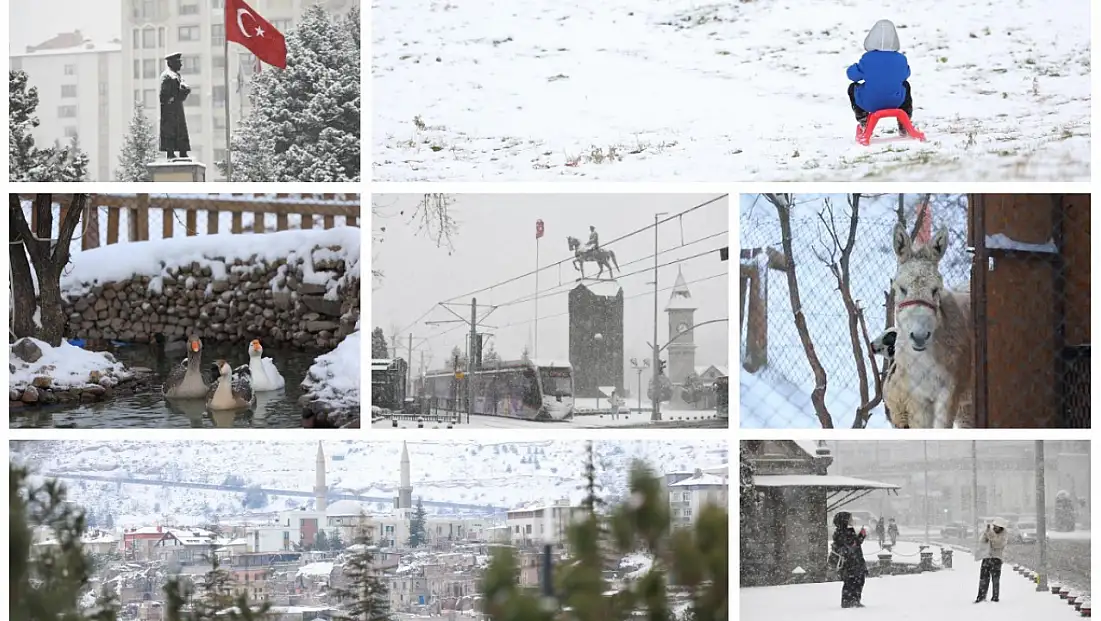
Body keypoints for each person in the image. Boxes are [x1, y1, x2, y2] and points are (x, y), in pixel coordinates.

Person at [846, 19, 913, 134]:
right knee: (905, 86)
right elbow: (906, 75)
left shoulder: (867, 59)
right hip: (896, 101)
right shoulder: (900, 59)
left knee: (853, 88)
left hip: (870, 102)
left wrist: (855, 67)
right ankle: (904, 120)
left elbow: (852, 75)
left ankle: (863, 118)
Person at [159, 52, 192, 159]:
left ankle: (183, 151)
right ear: (171, 63)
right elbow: (163, 96)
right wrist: (175, 96)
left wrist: (184, 91)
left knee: (181, 131)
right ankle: (170, 152)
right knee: (171, 132)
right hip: (170, 111)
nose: (181, 65)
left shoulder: (176, 75)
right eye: (179, 62)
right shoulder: (167, 76)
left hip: (177, 109)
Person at [832, 512, 868, 608]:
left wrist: (861, 536)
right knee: (851, 582)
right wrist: (860, 537)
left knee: (858, 581)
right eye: (850, 519)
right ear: (844, 521)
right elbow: (851, 546)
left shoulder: (847, 531)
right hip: (851, 563)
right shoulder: (842, 532)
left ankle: (855, 600)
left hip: (855, 561)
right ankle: (848, 601)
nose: (852, 521)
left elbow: (855, 544)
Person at [975, 518, 1009, 603]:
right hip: (987, 557)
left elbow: (997, 544)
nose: (994, 528)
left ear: (1001, 528)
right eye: (994, 526)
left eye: (996, 527)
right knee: (983, 578)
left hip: (997, 559)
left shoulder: (1004, 535)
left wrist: (990, 534)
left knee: (995, 579)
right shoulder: (990, 531)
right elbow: (982, 541)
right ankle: (981, 597)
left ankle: (995, 597)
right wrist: (986, 533)